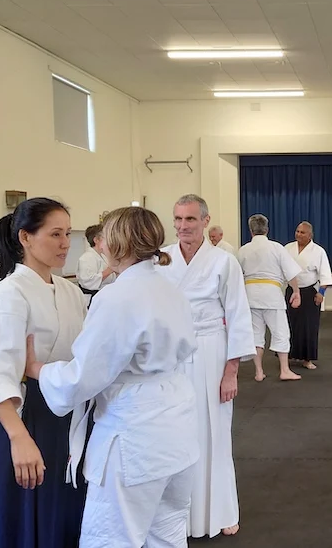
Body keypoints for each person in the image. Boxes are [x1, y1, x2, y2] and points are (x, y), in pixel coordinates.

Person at [25, 206, 202, 547]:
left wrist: (37, 369)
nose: (101, 244)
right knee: (166, 534)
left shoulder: (118, 297)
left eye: (104, 237)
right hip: (177, 426)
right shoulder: (170, 289)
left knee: (110, 538)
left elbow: (84, 375)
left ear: (118, 243)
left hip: (135, 435)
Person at [0, 198, 90, 548]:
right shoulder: (8, 294)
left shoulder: (70, 291)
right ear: (25, 237)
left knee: (64, 508)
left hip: (64, 410)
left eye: (67, 233)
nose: (65, 243)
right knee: (25, 515)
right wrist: (19, 438)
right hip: (23, 415)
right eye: (55, 234)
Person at [157, 194, 256, 539]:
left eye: (190, 219)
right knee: (173, 433)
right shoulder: (161, 259)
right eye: (178, 219)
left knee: (214, 431)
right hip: (170, 354)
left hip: (211, 350)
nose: (183, 226)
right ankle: (177, 516)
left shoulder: (224, 262)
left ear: (205, 220)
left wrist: (231, 372)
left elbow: (238, 315)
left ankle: (221, 510)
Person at [237, 214, 303, 382]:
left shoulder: (243, 250)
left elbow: (236, 276)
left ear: (251, 231)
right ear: (267, 229)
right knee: (280, 332)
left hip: (250, 295)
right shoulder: (276, 248)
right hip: (272, 294)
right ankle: (284, 370)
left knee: (256, 334)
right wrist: (296, 292)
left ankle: (259, 372)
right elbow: (290, 272)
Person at [283, 221, 332, 370]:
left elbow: (325, 274)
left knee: (309, 326)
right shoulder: (287, 248)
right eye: (297, 231)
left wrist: (321, 293)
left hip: (309, 292)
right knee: (289, 324)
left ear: (310, 235)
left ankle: (307, 359)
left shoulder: (318, 251)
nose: (298, 234)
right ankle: (288, 356)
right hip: (292, 291)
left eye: (302, 232)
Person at [77, 223, 116, 307]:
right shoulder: (86, 258)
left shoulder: (103, 256)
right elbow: (88, 281)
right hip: (92, 299)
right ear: (96, 240)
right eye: (105, 238)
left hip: (105, 295)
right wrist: (110, 269)